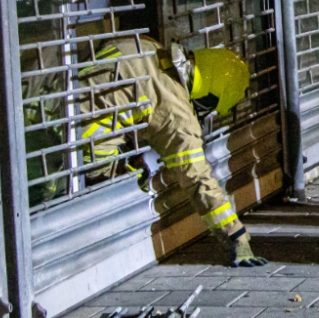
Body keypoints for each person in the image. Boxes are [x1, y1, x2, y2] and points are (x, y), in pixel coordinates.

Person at [77, 35, 269, 267]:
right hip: (75, 145)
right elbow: (198, 179)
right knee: (121, 187)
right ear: (208, 98)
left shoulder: (151, 48)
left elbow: (118, 92)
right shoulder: (178, 114)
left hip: (47, 102)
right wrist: (237, 237)